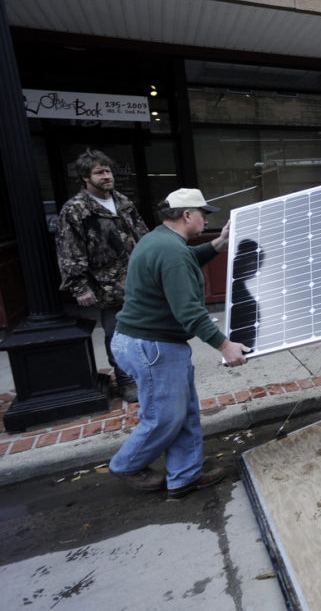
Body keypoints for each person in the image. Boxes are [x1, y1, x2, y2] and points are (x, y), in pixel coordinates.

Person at [108, 188, 250, 499]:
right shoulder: (171, 251)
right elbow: (189, 311)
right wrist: (225, 346)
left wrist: (218, 244)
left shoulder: (161, 240)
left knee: (183, 412)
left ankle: (184, 477)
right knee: (164, 416)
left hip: (149, 341)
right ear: (187, 215)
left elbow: (187, 258)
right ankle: (126, 464)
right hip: (151, 346)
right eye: (203, 214)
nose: (206, 219)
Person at [55, 149, 151, 402]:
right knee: (118, 335)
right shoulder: (75, 210)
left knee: (146, 329)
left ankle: (146, 373)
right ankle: (126, 380)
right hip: (108, 286)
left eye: (108, 171)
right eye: (99, 172)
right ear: (86, 177)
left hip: (139, 279)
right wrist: (79, 287)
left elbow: (143, 235)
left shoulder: (122, 201)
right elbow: (69, 251)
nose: (106, 176)